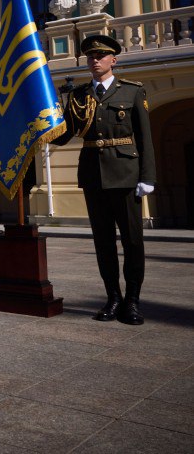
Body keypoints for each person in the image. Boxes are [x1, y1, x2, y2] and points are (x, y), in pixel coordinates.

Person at [53, 34, 155, 325]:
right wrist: (41, 127)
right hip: (93, 176)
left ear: (114, 60)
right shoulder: (78, 95)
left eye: (100, 56)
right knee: (104, 243)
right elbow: (66, 135)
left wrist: (147, 176)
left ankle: (132, 302)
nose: (95, 60)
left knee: (133, 242)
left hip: (126, 175)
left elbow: (145, 138)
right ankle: (113, 298)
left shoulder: (133, 91)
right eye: (90, 57)